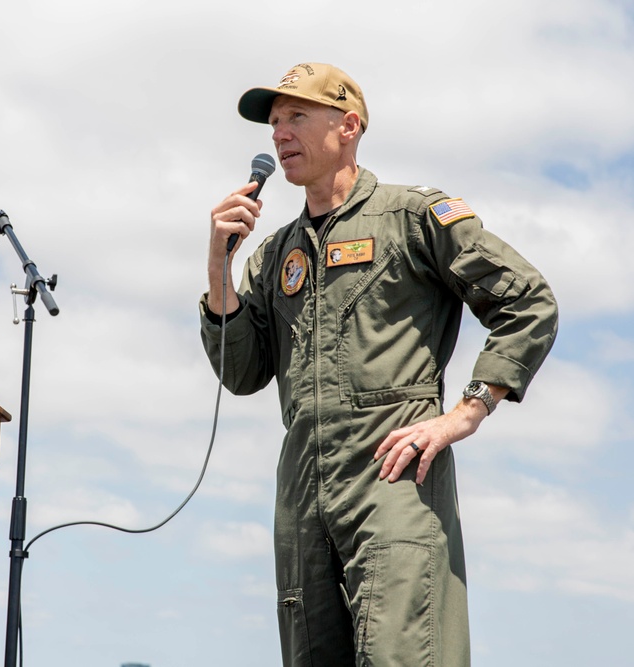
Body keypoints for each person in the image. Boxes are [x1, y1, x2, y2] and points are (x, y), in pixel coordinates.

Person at [199, 63, 558, 666]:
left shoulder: (413, 217)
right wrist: (218, 269)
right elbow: (242, 375)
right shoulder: (271, 255)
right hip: (303, 489)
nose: (279, 135)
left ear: (348, 126)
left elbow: (527, 300)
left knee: (402, 653)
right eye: (274, 124)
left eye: (296, 118)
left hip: (395, 478)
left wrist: (465, 413)